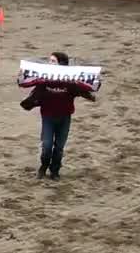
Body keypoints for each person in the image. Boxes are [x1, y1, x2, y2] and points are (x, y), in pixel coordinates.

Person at [20, 51, 95, 181]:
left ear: (62, 64)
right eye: (49, 61)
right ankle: (43, 167)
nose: (50, 63)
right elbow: (34, 94)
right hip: (48, 117)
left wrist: (90, 95)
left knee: (59, 146)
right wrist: (28, 103)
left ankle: (55, 171)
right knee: (47, 145)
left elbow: (83, 90)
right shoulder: (44, 81)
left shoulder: (70, 82)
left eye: (53, 61)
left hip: (65, 117)